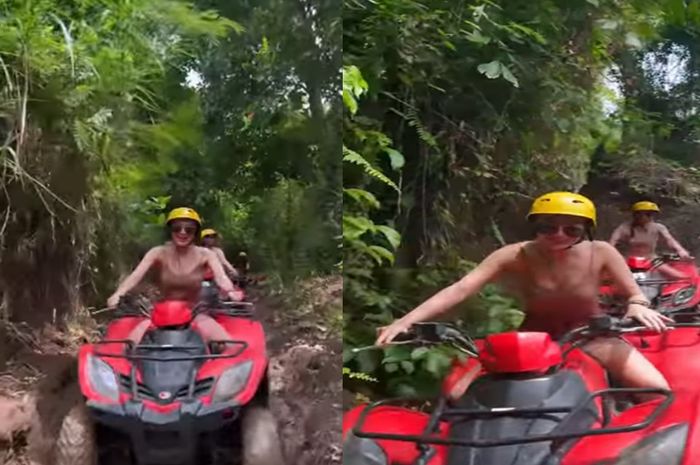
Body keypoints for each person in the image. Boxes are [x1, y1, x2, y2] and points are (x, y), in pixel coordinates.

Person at [377, 192, 670, 398]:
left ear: (585, 232)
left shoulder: (601, 251)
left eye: (571, 229)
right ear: (534, 227)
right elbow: (462, 287)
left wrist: (637, 305)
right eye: (547, 227)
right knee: (457, 394)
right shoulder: (515, 254)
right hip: (531, 341)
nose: (559, 234)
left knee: (656, 390)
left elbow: (634, 293)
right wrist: (405, 321)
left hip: (592, 334)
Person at [107, 207, 244, 345]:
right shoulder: (157, 252)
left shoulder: (206, 254)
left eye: (189, 229)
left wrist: (230, 291)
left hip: (195, 311)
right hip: (161, 313)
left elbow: (221, 277)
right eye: (177, 228)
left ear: (195, 233)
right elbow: (136, 275)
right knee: (130, 345)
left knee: (227, 344)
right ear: (170, 231)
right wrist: (119, 293)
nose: (182, 232)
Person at [609, 201, 690, 279]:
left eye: (651, 214)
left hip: (651, 259)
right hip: (628, 260)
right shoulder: (624, 227)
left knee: (678, 276)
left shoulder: (659, 227)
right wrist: (612, 255)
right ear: (636, 215)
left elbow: (670, 240)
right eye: (648, 214)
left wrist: (680, 250)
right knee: (613, 277)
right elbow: (613, 241)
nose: (650, 217)